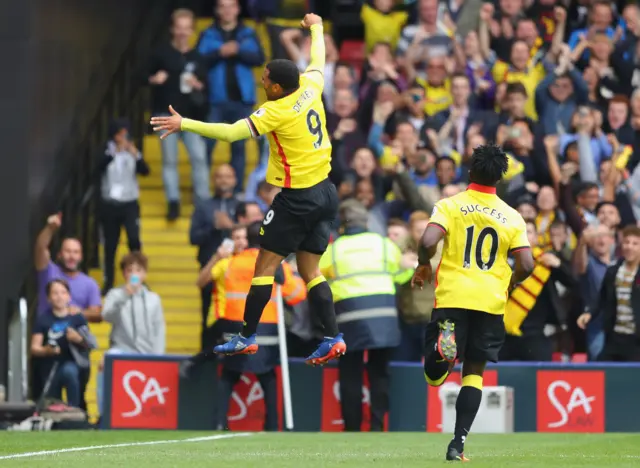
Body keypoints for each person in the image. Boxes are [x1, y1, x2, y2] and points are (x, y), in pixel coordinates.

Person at [151, 13, 346, 365]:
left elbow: (229, 133)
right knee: (310, 271)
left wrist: (185, 124)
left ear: (274, 88)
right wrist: (317, 26)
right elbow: (319, 56)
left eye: (266, 78)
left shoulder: (276, 111)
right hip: (326, 192)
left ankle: (246, 335)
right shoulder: (311, 84)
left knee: (264, 267)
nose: (262, 78)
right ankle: (332, 336)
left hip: (298, 197)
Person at [411, 143, 534, 462]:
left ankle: (444, 350)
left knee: (434, 377)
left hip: (453, 296)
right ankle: (457, 444)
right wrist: (511, 281)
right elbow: (528, 264)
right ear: (501, 178)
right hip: (490, 301)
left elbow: (427, 241)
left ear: (470, 172)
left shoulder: (450, 205)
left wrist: (424, 264)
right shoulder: (513, 216)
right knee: (474, 374)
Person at [31, 279, 97, 408]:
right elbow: (34, 347)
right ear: (49, 298)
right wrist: (46, 350)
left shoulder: (77, 318)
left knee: (69, 372)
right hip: (49, 365)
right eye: (55, 293)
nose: (59, 296)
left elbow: (91, 344)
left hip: (73, 363)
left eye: (63, 292)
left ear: (69, 296)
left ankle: (74, 409)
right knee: (53, 401)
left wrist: (78, 339)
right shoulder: (43, 319)